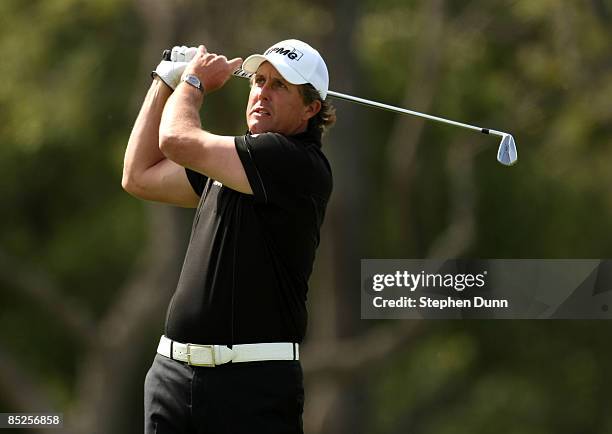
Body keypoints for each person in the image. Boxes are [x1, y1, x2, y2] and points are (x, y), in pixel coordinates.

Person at [122, 39, 335, 434]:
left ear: (311, 108)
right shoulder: (236, 161)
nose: (262, 93)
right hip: (172, 375)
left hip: (250, 388)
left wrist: (193, 83)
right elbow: (139, 176)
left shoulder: (294, 162)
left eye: (280, 86)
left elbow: (176, 141)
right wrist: (164, 80)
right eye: (258, 81)